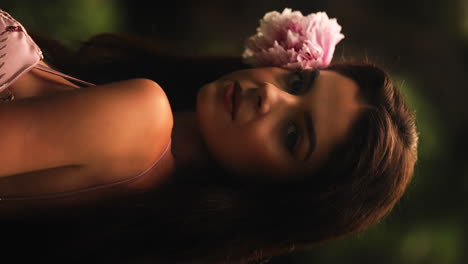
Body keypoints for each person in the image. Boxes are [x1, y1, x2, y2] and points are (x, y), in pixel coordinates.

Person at [0, 8, 418, 264]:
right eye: (297, 83)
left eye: (292, 135)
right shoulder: (139, 192)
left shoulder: (142, 118)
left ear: (278, 195)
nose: (269, 95)